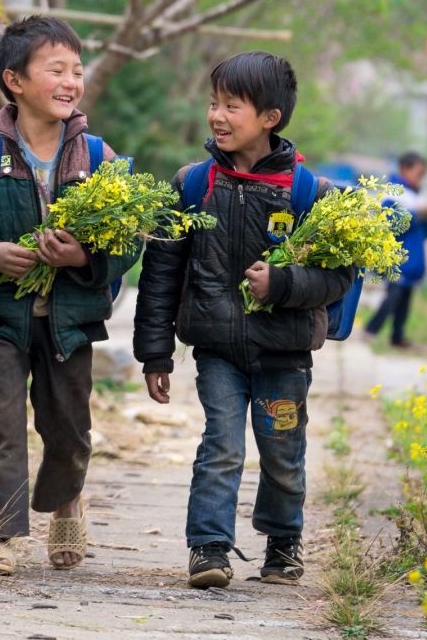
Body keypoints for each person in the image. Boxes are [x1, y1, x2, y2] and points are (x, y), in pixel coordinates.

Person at [133, 51, 352, 590]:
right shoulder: (191, 184)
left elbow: (337, 278)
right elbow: (161, 274)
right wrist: (155, 352)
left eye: (232, 105)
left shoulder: (310, 195)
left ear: (270, 117)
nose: (217, 116)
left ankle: (283, 544)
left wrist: (281, 285)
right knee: (222, 446)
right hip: (218, 351)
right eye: (213, 103)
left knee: (282, 450)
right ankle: (208, 546)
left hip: (284, 355)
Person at [0, 16, 137, 575]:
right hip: (1, 317)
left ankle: (67, 501)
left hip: (70, 321)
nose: (71, 80)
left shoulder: (99, 159)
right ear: (15, 81)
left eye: (77, 69)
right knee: (2, 425)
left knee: (68, 429)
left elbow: (128, 238)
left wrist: (84, 258)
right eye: (56, 70)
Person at [363, 151, 427, 350]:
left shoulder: (419, 197)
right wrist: (416, 215)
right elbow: (389, 224)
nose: (421, 178)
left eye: (423, 174)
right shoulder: (394, 194)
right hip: (396, 256)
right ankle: (370, 330)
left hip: (414, 257)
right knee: (393, 297)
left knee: (404, 301)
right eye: (418, 173)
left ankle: (398, 336)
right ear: (404, 169)